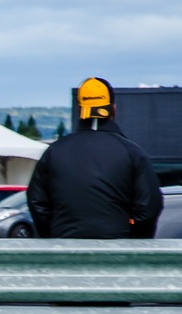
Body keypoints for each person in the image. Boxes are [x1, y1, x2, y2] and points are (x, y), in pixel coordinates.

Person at [26, 76, 163, 238]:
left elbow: (37, 203)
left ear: (80, 110)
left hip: (65, 247)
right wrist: (133, 239)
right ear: (113, 109)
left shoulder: (54, 152)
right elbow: (149, 207)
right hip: (118, 248)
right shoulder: (132, 152)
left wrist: (53, 235)